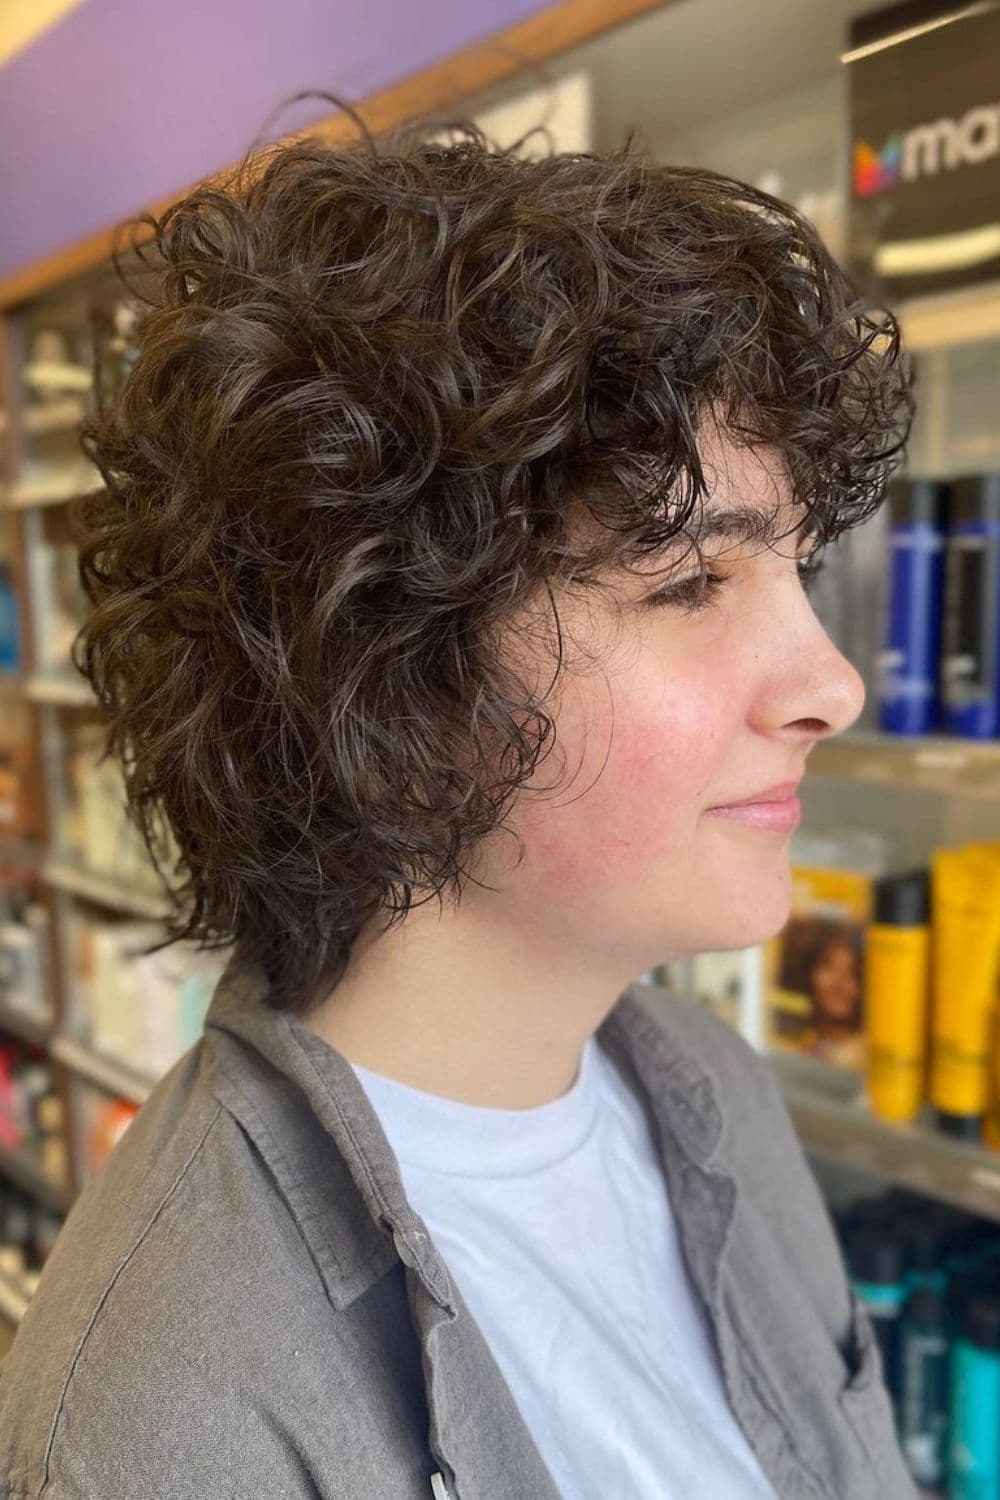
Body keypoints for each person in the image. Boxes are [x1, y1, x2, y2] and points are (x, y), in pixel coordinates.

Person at [0, 94, 919, 1499]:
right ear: (389, 675)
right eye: (689, 582)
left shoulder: (712, 1092)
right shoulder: (163, 1408)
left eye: (795, 566)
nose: (832, 684)